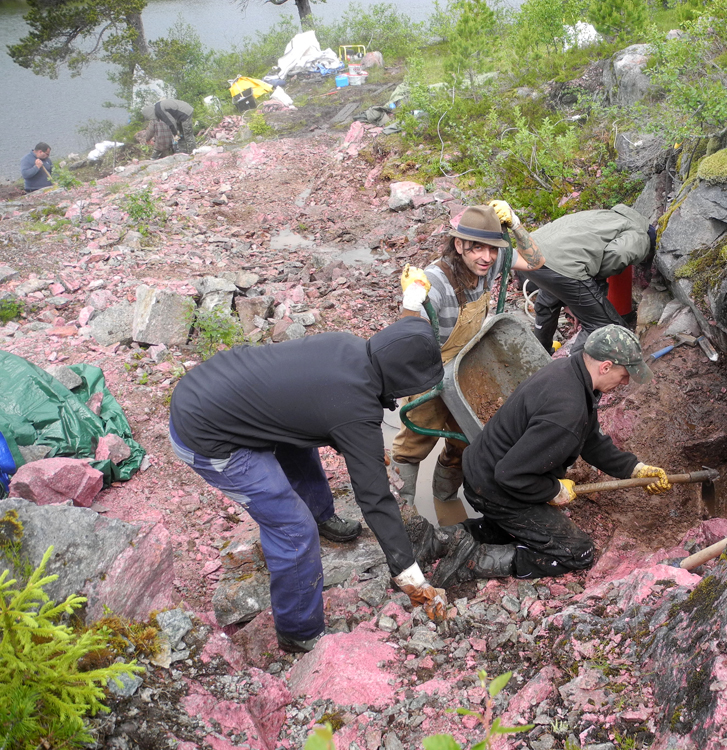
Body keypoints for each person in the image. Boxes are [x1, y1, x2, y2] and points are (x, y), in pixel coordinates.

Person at [168, 318, 448, 653]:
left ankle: (321, 515)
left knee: (299, 437)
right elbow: (375, 499)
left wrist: (364, 447)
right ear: (402, 378)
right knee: (293, 529)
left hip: (210, 385)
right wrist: (409, 575)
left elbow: (317, 410)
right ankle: (298, 631)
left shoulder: (347, 343)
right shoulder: (354, 407)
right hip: (205, 435)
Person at [423, 324, 671, 586]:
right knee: (578, 552)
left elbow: (591, 441)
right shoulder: (568, 410)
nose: (625, 382)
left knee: (518, 529)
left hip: (483, 469)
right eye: (624, 375)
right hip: (495, 486)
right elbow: (511, 475)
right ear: (606, 366)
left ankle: (440, 540)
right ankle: (475, 559)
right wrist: (553, 490)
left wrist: (635, 468)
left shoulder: (569, 372)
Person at [391, 202, 545, 527]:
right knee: (413, 444)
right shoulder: (437, 283)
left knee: (466, 442)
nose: (486, 258)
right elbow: (404, 345)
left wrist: (515, 223)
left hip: (467, 367)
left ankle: (444, 496)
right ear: (459, 245)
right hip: (430, 369)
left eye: (492, 249)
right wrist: (410, 303)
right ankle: (402, 512)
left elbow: (536, 260)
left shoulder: (492, 262)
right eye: (477, 248)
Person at [520, 204, 658, 354]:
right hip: (563, 267)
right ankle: (571, 370)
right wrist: (587, 294)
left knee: (547, 306)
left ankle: (539, 354)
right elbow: (619, 253)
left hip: (530, 252)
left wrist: (574, 303)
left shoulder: (606, 215)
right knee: (604, 327)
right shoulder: (641, 236)